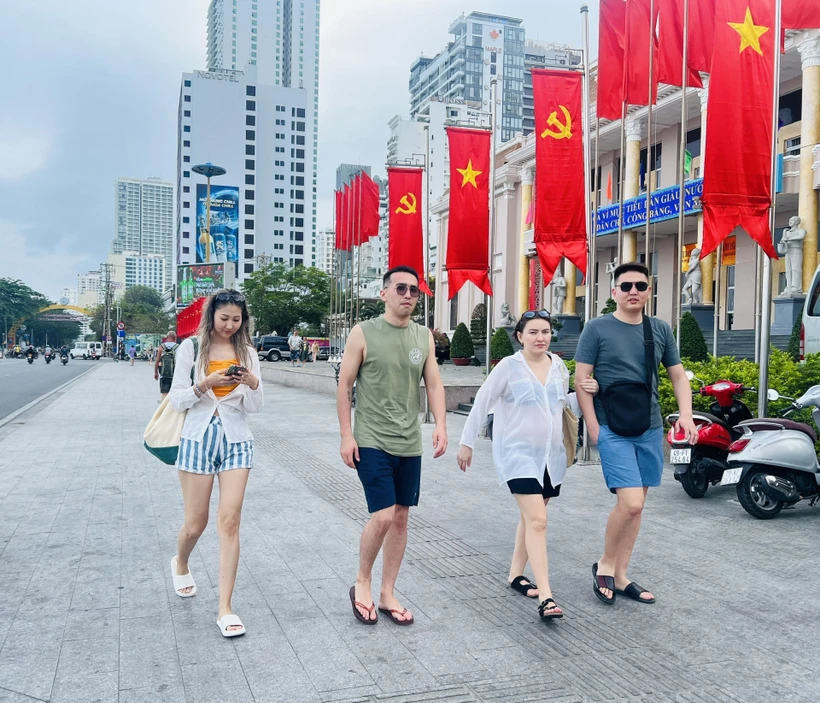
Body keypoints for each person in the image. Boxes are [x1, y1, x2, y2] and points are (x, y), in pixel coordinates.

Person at [457, 311, 598, 621]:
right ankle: (547, 597)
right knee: (538, 520)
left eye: (545, 331)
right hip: (517, 455)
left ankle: (515, 574)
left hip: (550, 456)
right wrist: (466, 442)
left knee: (532, 517)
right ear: (519, 336)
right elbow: (482, 402)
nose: (540, 337)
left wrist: (584, 394)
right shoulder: (509, 367)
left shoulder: (558, 366)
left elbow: (560, 406)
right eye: (533, 332)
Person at [574, 262, 697, 606]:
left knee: (637, 507)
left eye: (640, 286)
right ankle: (605, 565)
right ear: (613, 292)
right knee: (631, 502)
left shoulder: (658, 329)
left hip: (649, 426)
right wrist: (593, 427)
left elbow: (677, 375)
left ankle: (622, 574)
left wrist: (685, 415)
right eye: (625, 285)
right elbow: (582, 380)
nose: (633, 291)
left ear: (649, 291)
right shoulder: (596, 329)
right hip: (612, 426)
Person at [337, 265, 447, 625]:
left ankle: (387, 592)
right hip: (371, 438)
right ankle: (362, 582)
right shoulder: (363, 332)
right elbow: (344, 385)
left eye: (414, 291)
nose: (408, 295)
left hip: (408, 440)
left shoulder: (423, 337)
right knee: (382, 515)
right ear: (383, 293)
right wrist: (346, 434)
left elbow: (433, 383)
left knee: (400, 518)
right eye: (400, 288)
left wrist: (441, 425)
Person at [168, 289, 263, 637]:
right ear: (212, 316)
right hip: (197, 439)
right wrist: (205, 383)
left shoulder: (248, 352)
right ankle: (180, 562)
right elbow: (176, 399)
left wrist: (252, 383)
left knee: (230, 522)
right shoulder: (190, 349)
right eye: (224, 318)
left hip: (237, 440)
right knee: (196, 524)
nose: (230, 325)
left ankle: (225, 608)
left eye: (236, 320)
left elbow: (254, 406)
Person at [154, 331, 180, 399]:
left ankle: (164, 407)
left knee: (164, 393)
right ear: (175, 338)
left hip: (163, 375)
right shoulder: (178, 347)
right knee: (174, 393)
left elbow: (157, 360)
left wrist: (155, 372)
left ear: (167, 337)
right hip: (175, 375)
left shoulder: (161, 347)